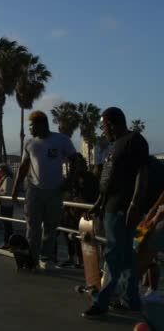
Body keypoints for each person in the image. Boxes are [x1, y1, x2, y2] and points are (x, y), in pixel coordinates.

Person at [82, 107, 149, 318]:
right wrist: (98, 202)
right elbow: (108, 179)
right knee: (127, 256)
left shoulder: (134, 141)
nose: (103, 130)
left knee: (112, 255)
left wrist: (134, 204)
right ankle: (131, 299)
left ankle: (101, 302)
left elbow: (142, 172)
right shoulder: (114, 146)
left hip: (122, 208)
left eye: (103, 125)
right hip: (109, 206)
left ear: (112, 123)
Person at [12, 111, 78, 270]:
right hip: (34, 191)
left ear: (42, 124)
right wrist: (15, 189)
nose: (30, 129)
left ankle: (46, 258)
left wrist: (69, 181)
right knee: (32, 228)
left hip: (55, 191)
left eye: (32, 126)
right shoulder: (29, 143)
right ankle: (31, 259)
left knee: (50, 228)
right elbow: (23, 167)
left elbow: (75, 160)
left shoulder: (61, 140)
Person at [59, 155, 99, 268]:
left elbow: (93, 196)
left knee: (82, 237)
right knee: (69, 235)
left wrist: (88, 208)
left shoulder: (89, 178)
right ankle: (72, 258)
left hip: (82, 213)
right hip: (69, 212)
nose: (73, 166)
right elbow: (66, 191)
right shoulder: (72, 178)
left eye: (75, 164)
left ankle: (82, 261)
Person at [136, 189, 164, 303]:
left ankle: (129, 292)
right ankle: (151, 292)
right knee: (140, 251)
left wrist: (152, 219)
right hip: (150, 216)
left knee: (144, 256)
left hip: (157, 219)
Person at [0, 163, 15, 249]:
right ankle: (8, 242)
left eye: (0, 170)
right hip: (3, 204)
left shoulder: (8, 179)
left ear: (5, 170)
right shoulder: (4, 179)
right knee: (6, 224)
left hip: (6, 205)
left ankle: (8, 242)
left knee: (7, 225)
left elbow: (6, 192)